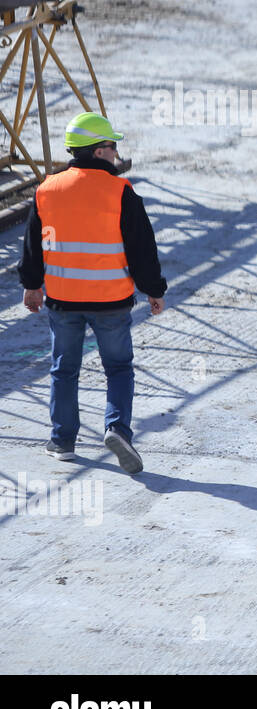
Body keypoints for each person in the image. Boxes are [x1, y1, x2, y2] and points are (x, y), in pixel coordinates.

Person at [17, 112, 167, 474]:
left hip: (63, 301)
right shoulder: (121, 192)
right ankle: (117, 430)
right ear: (99, 151)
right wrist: (153, 290)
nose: (116, 154)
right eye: (113, 147)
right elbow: (142, 250)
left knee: (63, 369)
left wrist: (32, 286)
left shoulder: (47, 189)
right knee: (118, 368)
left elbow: (33, 246)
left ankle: (62, 441)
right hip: (110, 301)